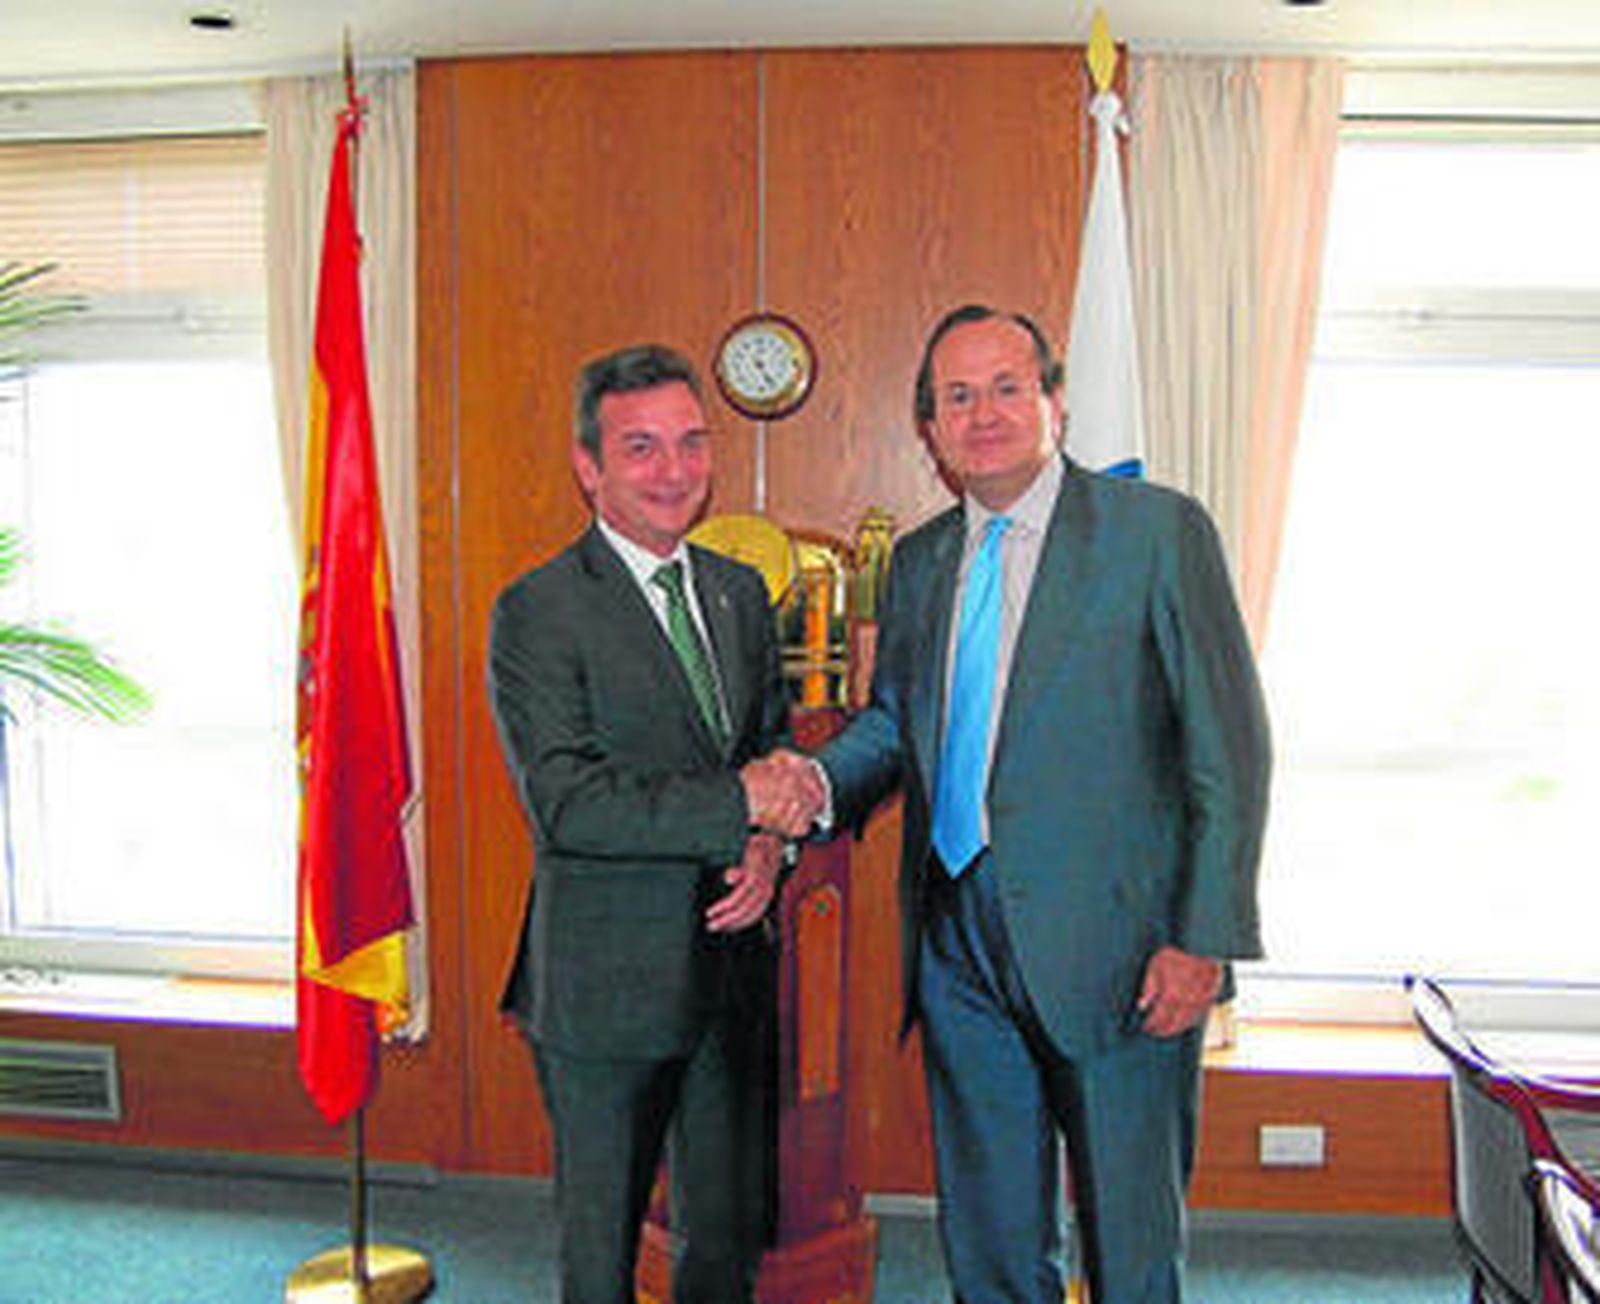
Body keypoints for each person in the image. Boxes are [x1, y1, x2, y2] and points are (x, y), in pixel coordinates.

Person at [759, 304, 1271, 1303]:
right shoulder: (916, 563)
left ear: (1055, 402)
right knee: (989, 1230)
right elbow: (896, 726)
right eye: (956, 396)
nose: (982, 412)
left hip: (1122, 948)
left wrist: (1201, 937)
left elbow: (1230, 747)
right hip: (957, 945)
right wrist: (812, 780)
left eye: (1005, 386)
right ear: (931, 430)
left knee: (1129, 1235)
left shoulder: (1156, 533)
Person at [487, 343, 807, 1304]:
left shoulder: (739, 592)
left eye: (690, 443)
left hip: (732, 969)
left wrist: (768, 847)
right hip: (604, 988)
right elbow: (568, 803)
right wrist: (741, 805)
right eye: (641, 448)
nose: (674, 471)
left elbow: (767, 748)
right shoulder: (539, 610)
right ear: (589, 466)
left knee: (727, 1238)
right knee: (602, 1257)